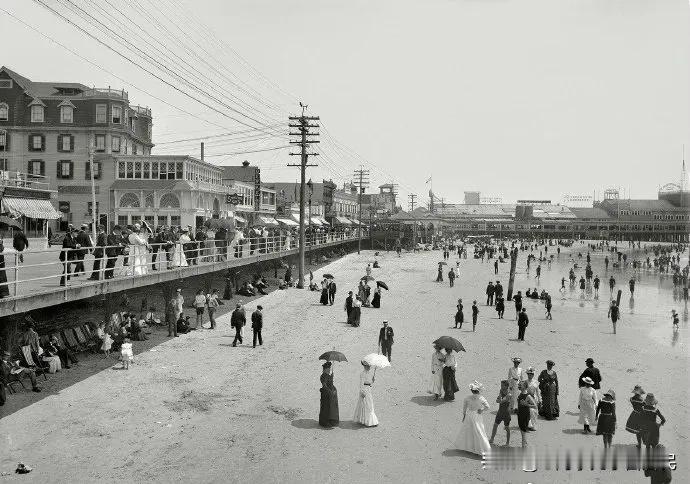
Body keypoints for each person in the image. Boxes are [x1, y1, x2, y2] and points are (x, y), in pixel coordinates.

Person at [454, 381, 491, 456]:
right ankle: (481, 448)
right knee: (479, 431)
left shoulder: (467, 398)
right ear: (479, 390)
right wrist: (482, 410)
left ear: (471, 390)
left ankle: (468, 448)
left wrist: (464, 416)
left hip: (469, 416)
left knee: (468, 432)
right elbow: (488, 407)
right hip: (477, 416)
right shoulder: (481, 398)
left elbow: (464, 409)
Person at [353, 361, 378, 427]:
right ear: (365, 366)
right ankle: (367, 421)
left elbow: (370, 383)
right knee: (366, 405)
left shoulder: (370, 373)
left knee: (369, 404)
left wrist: (372, 380)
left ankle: (369, 420)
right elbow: (361, 383)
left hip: (369, 390)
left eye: (369, 366)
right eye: (367, 366)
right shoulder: (362, 374)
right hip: (365, 390)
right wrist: (362, 391)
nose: (369, 367)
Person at [489, 380, 511, 446]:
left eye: (502, 385)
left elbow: (500, 401)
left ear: (506, 386)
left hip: (506, 413)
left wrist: (499, 399)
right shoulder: (501, 390)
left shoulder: (509, 394)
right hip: (500, 412)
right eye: (501, 385)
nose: (501, 386)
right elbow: (499, 399)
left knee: (507, 428)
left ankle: (507, 443)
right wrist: (498, 399)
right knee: (495, 425)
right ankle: (492, 439)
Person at [517, 380, 537, 447]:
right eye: (519, 384)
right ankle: (525, 444)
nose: (519, 385)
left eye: (520, 385)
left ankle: (524, 447)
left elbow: (535, 406)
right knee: (522, 431)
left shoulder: (528, 396)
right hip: (520, 414)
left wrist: (526, 404)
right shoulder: (520, 394)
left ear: (525, 386)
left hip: (525, 415)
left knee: (523, 432)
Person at [319, 362, 339, 427]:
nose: (329, 370)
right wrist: (330, 391)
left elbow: (330, 383)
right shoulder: (323, 376)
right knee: (326, 407)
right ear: (324, 369)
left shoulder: (328, 375)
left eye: (329, 369)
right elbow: (324, 385)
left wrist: (332, 377)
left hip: (331, 394)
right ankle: (325, 422)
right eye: (328, 369)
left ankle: (331, 420)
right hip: (326, 394)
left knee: (331, 407)